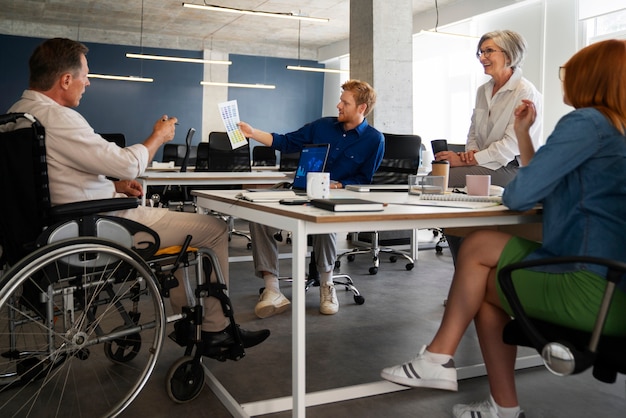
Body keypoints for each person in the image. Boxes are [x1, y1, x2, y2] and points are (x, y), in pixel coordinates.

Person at [381, 39, 626, 418]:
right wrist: (524, 134)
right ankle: (482, 392)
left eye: (568, 72)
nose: (564, 80)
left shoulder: (587, 122)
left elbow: (521, 195)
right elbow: (541, 181)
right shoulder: (615, 130)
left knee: (478, 255)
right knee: (481, 262)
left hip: (588, 289)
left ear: (590, 79)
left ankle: (441, 361)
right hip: (615, 290)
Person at [7, 37, 269, 359]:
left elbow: (51, 179)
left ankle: (194, 322)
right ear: (65, 80)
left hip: (56, 224)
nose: (88, 82)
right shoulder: (58, 118)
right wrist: (156, 136)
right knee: (212, 228)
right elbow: (128, 163)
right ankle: (216, 330)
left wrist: (114, 188)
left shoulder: (18, 115)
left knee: (184, 237)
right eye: (85, 75)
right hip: (98, 226)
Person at [238, 79, 385, 317]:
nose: (338, 105)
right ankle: (272, 288)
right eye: (340, 100)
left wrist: (340, 184)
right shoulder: (322, 126)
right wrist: (252, 133)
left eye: (345, 103)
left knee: (325, 212)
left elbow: (364, 179)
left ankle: (327, 284)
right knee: (258, 211)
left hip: (334, 196)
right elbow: (285, 142)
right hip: (300, 189)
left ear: (361, 108)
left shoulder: (374, 140)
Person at [434, 30, 543, 188]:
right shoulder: (482, 91)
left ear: (509, 55)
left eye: (489, 51)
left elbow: (511, 146)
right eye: (481, 52)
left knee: (440, 178)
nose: (482, 58)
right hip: (485, 163)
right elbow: (473, 131)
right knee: (438, 173)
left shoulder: (525, 92)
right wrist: (470, 153)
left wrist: (470, 160)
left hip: (512, 167)